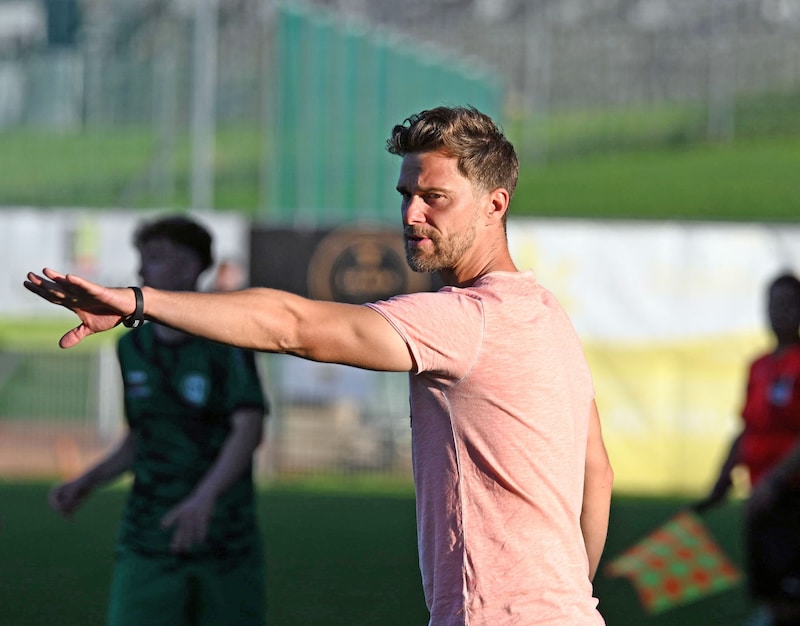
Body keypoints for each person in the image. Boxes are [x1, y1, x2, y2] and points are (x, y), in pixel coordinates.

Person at [26, 106, 613, 625]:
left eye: (434, 198)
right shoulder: (547, 314)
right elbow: (597, 474)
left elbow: (293, 326)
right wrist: (568, 599)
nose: (411, 215)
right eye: (405, 194)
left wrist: (138, 302)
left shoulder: (467, 320)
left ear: (495, 204)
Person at [46, 215, 269, 626]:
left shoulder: (229, 341)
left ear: (192, 266)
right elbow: (140, 439)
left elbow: (249, 426)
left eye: (157, 258)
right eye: (143, 258)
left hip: (223, 537)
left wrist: (204, 499)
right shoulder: (132, 346)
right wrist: (86, 481)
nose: (143, 269)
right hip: (148, 535)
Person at [694, 272, 800, 626]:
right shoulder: (759, 366)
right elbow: (747, 429)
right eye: (772, 303)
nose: (778, 312)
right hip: (760, 498)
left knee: (790, 597)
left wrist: (775, 481)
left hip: (790, 500)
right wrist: (722, 481)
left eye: (787, 304)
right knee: (769, 592)